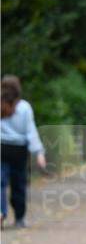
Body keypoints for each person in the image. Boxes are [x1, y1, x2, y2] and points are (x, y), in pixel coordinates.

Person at [1, 75, 46, 229]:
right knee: (19, 183)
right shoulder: (24, 107)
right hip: (19, 151)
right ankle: (19, 217)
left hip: (2, 148)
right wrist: (39, 152)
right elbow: (31, 132)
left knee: (0, 181)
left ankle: (1, 211)